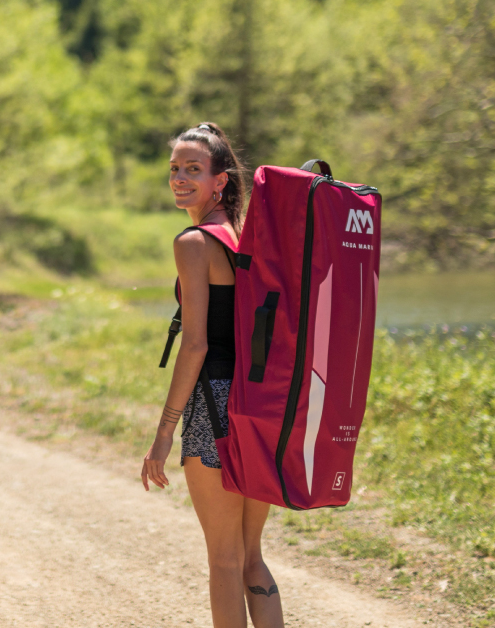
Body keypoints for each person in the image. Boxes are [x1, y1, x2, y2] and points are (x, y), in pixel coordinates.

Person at [141, 123, 284, 628]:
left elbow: (196, 344)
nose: (180, 178)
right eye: (175, 169)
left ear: (220, 180)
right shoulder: (247, 235)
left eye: (193, 170)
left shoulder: (194, 242)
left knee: (223, 558)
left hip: (215, 405)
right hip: (261, 403)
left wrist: (163, 433)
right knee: (251, 555)